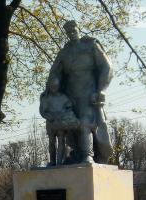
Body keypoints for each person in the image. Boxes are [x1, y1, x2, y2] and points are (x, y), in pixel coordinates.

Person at [46, 20, 113, 164]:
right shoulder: (65, 52)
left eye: (73, 30)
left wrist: (101, 89)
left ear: (78, 29)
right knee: (71, 127)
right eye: (68, 32)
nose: (71, 34)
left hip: (88, 94)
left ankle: (88, 155)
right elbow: (55, 72)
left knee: (85, 123)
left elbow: (106, 67)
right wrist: (53, 89)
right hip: (69, 96)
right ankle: (76, 154)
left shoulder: (91, 46)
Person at [39, 77, 79, 165]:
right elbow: (42, 111)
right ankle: (52, 162)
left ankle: (59, 162)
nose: (54, 88)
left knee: (61, 141)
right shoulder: (46, 98)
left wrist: (66, 115)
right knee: (51, 142)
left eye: (56, 86)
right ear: (49, 86)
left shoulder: (63, 97)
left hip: (61, 123)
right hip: (51, 123)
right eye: (52, 86)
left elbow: (69, 107)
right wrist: (50, 117)